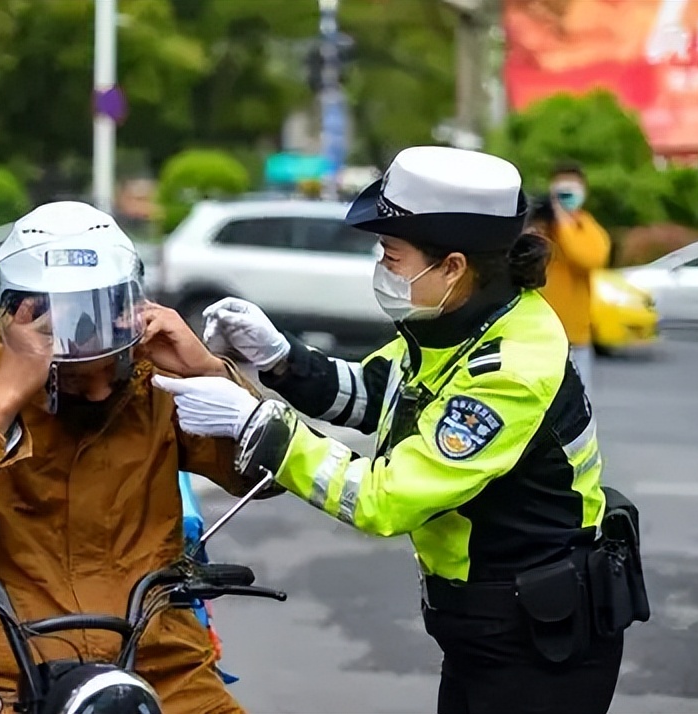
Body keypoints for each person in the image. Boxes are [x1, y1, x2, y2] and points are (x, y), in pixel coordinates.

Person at [150, 147, 637, 714]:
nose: (382, 269)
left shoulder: (509, 368)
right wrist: (280, 358)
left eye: (392, 254)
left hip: (537, 646)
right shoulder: (461, 322)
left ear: (453, 265)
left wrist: (254, 422)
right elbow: (378, 395)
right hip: (489, 628)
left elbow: (385, 498)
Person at [0, 201, 267, 714]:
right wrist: (2, 399)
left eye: (105, 370)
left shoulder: (150, 379)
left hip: (164, 671)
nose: (94, 392)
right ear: (19, 317)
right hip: (20, 677)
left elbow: (264, 473)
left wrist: (207, 375)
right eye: (71, 375)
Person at [535, 161, 611, 392]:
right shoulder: (540, 226)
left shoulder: (585, 227)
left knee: (578, 403)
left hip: (574, 335)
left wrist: (564, 223)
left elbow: (591, 259)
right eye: (560, 192)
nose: (565, 197)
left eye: (571, 190)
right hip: (538, 333)